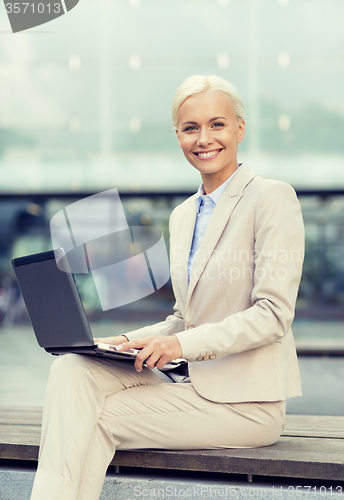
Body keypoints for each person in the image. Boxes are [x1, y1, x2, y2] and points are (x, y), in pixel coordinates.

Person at [30, 75, 304, 500]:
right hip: (188, 386)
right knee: (70, 368)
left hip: (246, 405)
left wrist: (181, 347)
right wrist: (123, 341)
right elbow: (183, 318)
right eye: (190, 128)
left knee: (94, 419)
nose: (204, 138)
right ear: (177, 135)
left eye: (217, 124)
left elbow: (272, 315)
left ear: (240, 129)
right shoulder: (182, 216)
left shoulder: (271, 198)